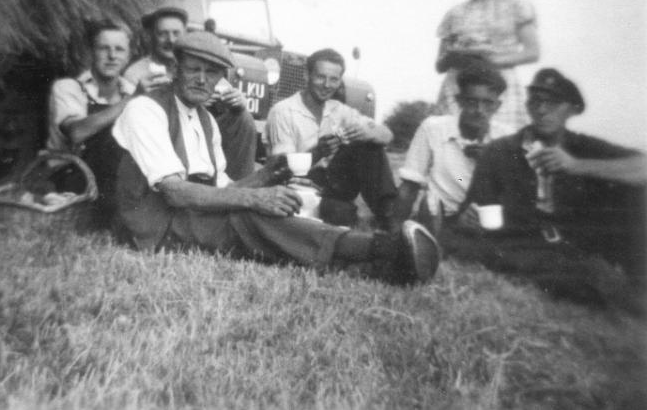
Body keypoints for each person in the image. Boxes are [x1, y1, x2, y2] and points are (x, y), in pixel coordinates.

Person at [112, 31, 440, 285]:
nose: (202, 79)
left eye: (211, 73)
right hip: (158, 225)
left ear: (220, 78)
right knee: (250, 217)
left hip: (194, 211)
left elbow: (225, 187)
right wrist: (254, 197)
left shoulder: (206, 119)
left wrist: (269, 174)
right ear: (174, 69)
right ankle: (382, 249)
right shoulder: (147, 109)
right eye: (193, 69)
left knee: (259, 213)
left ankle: (371, 263)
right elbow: (174, 191)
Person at [443, 68, 647, 310]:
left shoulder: (582, 147)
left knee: (636, 191)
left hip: (578, 240)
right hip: (525, 244)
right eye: (536, 102)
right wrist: (468, 218)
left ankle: (636, 282)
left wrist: (576, 165)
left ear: (572, 109)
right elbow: (474, 209)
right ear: (528, 107)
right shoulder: (500, 151)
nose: (542, 110)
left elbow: (642, 166)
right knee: (460, 241)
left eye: (553, 103)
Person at [264, 48, 397, 229]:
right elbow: (280, 168)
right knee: (339, 212)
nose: (327, 85)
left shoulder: (338, 109)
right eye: (321, 77)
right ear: (307, 75)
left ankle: (389, 218)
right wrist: (317, 152)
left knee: (369, 146)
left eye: (334, 79)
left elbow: (386, 134)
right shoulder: (284, 111)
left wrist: (368, 133)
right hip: (297, 183)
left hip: (331, 183)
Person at [123, 6, 256, 180]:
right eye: (162, 33)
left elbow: (221, 88)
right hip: (160, 132)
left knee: (243, 118)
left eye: (176, 33)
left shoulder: (201, 65)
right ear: (151, 37)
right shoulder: (137, 72)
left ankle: (241, 185)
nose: (170, 40)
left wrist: (236, 102)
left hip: (200, 132)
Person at [435, 0, 540, 130]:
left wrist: (490, 61)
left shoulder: (516, 5)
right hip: (458, 87)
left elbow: (533, 52)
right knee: (452, 144)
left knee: (500, 144)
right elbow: (440, 64)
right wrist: (454, 57)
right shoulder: (455, 13)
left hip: (499, 86)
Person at [394, 64, 512, 231]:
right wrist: (393, 232)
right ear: (459, 101)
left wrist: (491, 161)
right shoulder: (433, 129)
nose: (479, 110)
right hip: (442, 218)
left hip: (487, 218)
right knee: (428, 206)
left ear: (497, 106)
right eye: (472, 102)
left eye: (487, 103)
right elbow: (410, 185)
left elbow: (516, 193)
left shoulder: (507, 138)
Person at [46, 18, 135, 215]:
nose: (112, 56)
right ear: (91, 53)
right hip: (71, 175)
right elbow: (76, 132)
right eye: (104, 48)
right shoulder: (68, 87)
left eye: (119, 49)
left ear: (128, 56)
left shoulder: (130, 90)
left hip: (113, 176)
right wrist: (131, 102)